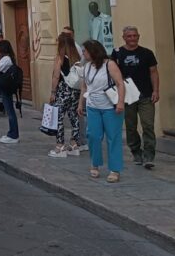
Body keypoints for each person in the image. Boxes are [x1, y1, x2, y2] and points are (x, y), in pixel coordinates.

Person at [111, 26, 159, 169]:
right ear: (124, 37)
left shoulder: (147, 53)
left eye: (134, 36)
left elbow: (154, 72)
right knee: (131, 127)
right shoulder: (117, 54)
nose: (132, 38)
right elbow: (112, 74)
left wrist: (156, 90)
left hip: (145, 95)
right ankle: (136, 151)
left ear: (138, 36)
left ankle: (149, 155)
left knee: (148, 125)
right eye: (129, 36)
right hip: (127, 96)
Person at [79, 39, 126, 182]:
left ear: (93, 52)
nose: (83, 53)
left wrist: (120, 102)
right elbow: (84, 87)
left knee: (113, 137)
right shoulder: (87, 66)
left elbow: (120, 83)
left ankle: (115, 169)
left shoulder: (109, 64)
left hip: (110, 107)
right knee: (93, 136)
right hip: (92, 106)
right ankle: (95, 163)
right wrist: (81, 103)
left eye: (85, 51)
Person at [48, 33, 84, 158]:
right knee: (74, 116)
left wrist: (53, 92)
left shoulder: (60, 57)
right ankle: (74, 144)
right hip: (75, 91)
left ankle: (60, 146)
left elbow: (56, 76)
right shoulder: (77, 57)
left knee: (58, 117)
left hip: (63, 90)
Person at [0, 40, 20, 144]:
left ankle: (13, 135)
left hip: (6, 87)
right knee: (9, 110)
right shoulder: (6, 58)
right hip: (5, 87)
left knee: (10, 111)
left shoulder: (6, 59)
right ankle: (12, 133)